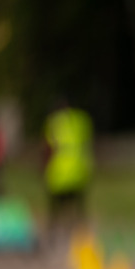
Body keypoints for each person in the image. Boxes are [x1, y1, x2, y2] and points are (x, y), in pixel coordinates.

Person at [43, 100, 94, 241]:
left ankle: (55, 235)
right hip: (78, 171)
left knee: (56, 209)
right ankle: (80, 236)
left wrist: (43, 168)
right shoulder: (81, 120)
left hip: (59, 172)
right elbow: (87, 143)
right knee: (78, 208)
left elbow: (48, 148)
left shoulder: (53, 122)